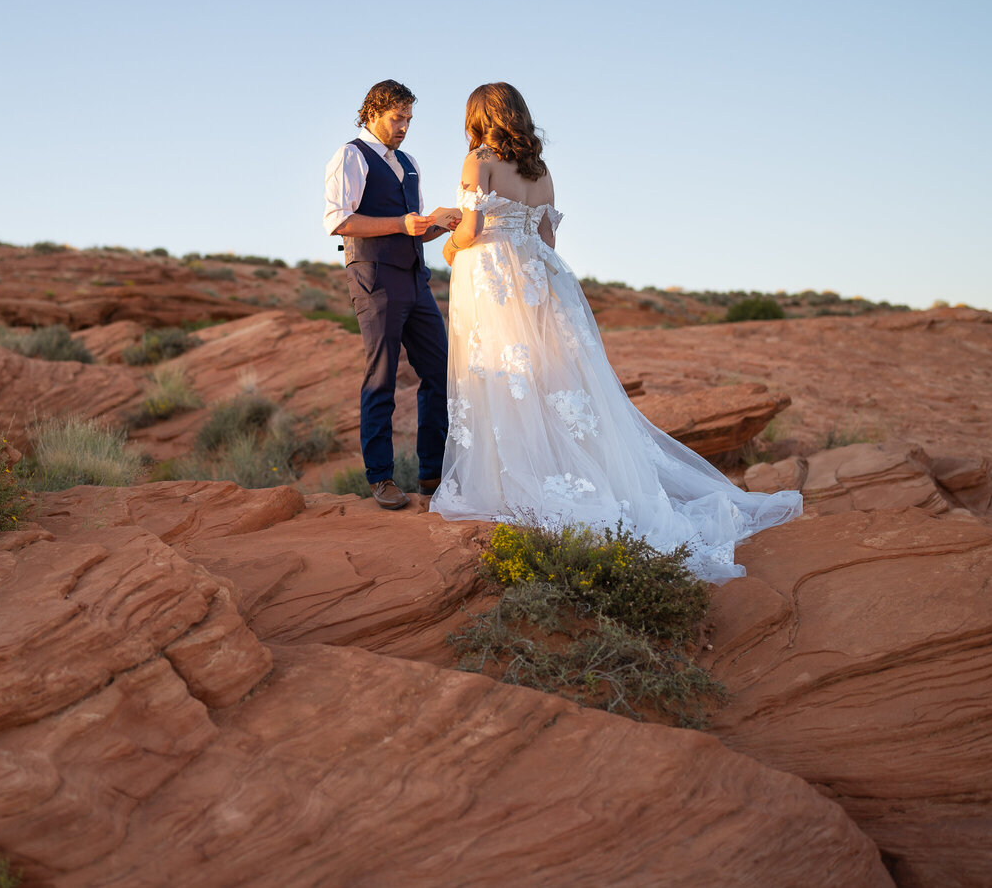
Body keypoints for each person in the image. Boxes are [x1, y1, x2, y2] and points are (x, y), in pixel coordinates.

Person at [429, 83, 801, 579]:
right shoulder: (539, 171)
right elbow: (547, 237)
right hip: (540, 277)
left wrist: (450, 247)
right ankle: (566, 474)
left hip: (494, 280)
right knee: (548, 379)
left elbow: (472, 230)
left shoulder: (478, 160)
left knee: (501, 376)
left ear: (478, 116)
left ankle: (513, 482)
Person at [324, 79, 463, 510]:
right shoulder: (350, 154)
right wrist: (404, 223)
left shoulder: (409, 162)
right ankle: (381, 477)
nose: (403, 127)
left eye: (408, 119)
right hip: (374, 277)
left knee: (442, 373)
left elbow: (413, 231)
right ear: (372, 113)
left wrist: (440, 224)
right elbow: (339, 221)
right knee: (381, 376)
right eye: (396, 118)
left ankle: (432, 473)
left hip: (415, 277)